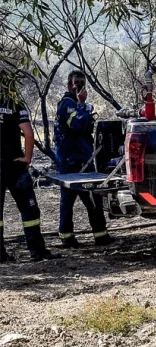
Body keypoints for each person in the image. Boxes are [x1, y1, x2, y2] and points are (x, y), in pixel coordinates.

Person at [0, 71, 58, 261]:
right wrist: (27, 158)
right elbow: (29, 133)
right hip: (14, 166)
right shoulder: (15, 104)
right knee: (29, 209)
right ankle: (37, 251)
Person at [54, 71, 112, 247]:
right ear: (68, 84)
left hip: (81, 157)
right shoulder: (68, 104)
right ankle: (67, 238)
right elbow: (77, 125)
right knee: (72, 199)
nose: (78, 86)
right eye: (75, 83)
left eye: (81, 83)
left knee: (92, 198)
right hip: (72, 160)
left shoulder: (74, 104)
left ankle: (100, 235)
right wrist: (82, 104)